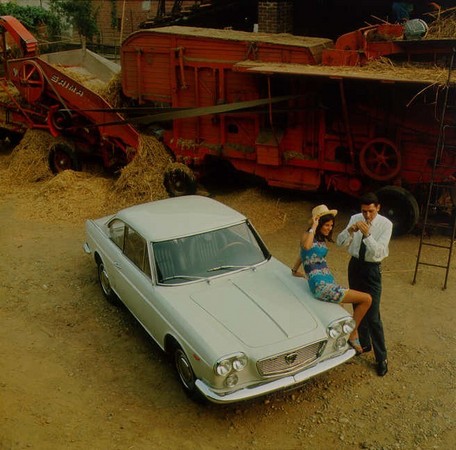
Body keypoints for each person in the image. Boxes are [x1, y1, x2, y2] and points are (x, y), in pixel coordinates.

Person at [291, 204, 372, 355]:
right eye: (326, 225)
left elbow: (302, 254)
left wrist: (294, 270)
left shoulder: (319, 238)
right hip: (321, 285)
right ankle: (353, 334)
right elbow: (306, 247)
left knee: (340, 309)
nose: (329, 228)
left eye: (331, 225)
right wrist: (313, 226)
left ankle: (339, 344)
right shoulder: (308, 235)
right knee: (366, 299)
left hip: (328, 280)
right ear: (319, 223)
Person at [336, 192, 393, 377]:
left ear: (378, 207)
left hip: (372, 269)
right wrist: (350, 231)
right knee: (358, 307)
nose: (367, 216)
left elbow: (378, 253)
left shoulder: (386, 225)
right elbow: (339, 243)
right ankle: (364, 342)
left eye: (370, 211)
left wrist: (367, 234)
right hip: (355, 266)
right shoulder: (355, 218)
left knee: (373, 314)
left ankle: (381, 358)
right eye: (364, 211)